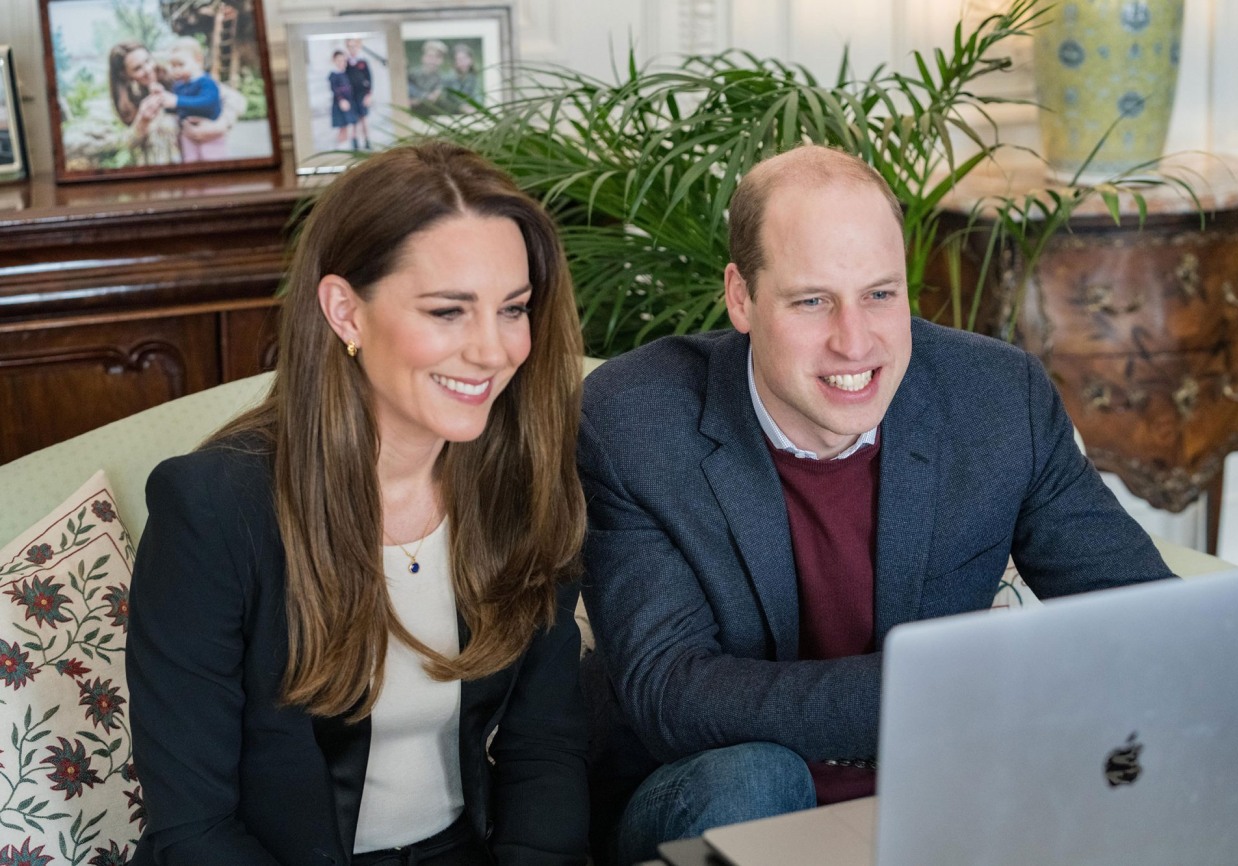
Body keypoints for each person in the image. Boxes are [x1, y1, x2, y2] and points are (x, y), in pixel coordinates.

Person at [577, 144, 1175, 866]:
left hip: (939, 792)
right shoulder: (637, 419)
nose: (854, 341)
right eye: (811, 301)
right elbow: (670, 694)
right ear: (741, 298)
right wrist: (949, 685)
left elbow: (1147, 622)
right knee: (755, 776)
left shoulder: (994, 398)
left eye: (880, 294)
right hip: (720, 794)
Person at [127, 140, 590, 866]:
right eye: (448, 311)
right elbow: (194, 828)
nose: (493, 351)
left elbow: (545, 752)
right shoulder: (213, 509)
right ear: (345, 311)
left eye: (513, 310)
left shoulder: (524, 482)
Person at [107, 41, 242, 166]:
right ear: (124, 74)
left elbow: (235, 99)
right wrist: (141, 122)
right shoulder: (125, 102)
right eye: (138, 68)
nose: (148, 69)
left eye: (148, 61)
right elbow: (123, 143)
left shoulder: (177, 76)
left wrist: (220, 126)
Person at [156, 37, 226, 162]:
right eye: (173, 65)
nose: (176, 70)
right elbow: (175, 107)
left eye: (181, 64)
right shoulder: (179, 86)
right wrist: (163, 100)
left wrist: (177, 101)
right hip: (188, 136)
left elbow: (208, 102)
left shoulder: (207, 82)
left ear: (198, 60)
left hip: (211, 137)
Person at [345, 37, 373, 149]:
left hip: (361, 94)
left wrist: (368, 95)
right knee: (353, 120)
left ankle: (367, 140)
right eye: (350, 46)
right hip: (351, 95)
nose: (352, 49)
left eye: (354, 46)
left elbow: (369, 79)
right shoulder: (346, 62)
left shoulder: (363, 62)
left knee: (363, 118)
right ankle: (354, 141)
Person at [408, 39, 448, 117]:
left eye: (437, 57)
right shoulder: (412, 73)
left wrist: (418, 99)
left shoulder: (442, 78)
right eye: (430, 56)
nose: (433, 60)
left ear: (442, 60)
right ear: (423, 58)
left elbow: (433, 97)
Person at [328, 49, 359, 150]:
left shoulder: (346, 73)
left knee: (348, 125)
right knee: (342, 127)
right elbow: (334, 89)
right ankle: (341, 146)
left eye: (343, 60)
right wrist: (341, 100)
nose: (342, 63)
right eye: (339, 61)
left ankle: (348, 144)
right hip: (340, 104)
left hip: (350, 102)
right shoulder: (334, 75)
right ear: (334, 61)